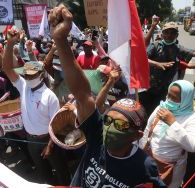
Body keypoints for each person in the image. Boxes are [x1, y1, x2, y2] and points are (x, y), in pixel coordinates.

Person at [48, 6, 165, 187]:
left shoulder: (144, 167)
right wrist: (61, 40)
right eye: (109, 120)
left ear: (137, 135)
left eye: (120, 125)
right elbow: (82, 94)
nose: (109, 128)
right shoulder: (97, 135)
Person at [2, 30, 71, 185]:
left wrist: (49, 146)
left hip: (48, 140)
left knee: (61, 173)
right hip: (31, 140)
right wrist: (11, 43)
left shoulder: (49, 96)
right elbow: (7, 68)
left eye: (32, 75)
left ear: (41, 75)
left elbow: (57, 125)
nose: (28, 77)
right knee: (43, 175)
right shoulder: (24, 86)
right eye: (26, 74)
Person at [140, 22, 195, 115]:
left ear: (176, 35)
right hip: (148, 87)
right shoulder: (155, 45)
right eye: (167, 32)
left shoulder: (177, 49)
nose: (169, 35)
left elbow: (194, 53)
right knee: (144, 111)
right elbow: (142, 59)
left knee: (158, 113)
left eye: (173, 33)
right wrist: (157, 64)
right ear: (162, 34)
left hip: (164, 89)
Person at [139, 80, 195, 187]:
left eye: (175, 98)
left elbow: (194, 146)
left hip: (170, 169)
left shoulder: (192, 119)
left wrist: (173, 123)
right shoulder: (161, 107)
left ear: (185, 100)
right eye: (168, 95)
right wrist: (140, 153)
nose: (169, 100)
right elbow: (148, 130)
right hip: (148, 160)